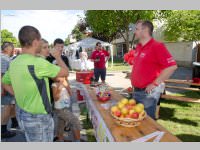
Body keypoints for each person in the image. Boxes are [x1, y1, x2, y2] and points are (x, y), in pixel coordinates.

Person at [2, 26, 69, 142]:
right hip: (39, 118)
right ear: (35, 42)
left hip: (22, 114)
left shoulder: (14, 62)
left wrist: (16, 93)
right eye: (40, 40)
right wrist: (58, 57)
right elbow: (66, 72)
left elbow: (4, 82)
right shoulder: (38, 63)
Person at [131, 20, 177, 119]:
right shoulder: (139, 47)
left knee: (147, 123)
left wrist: (154, 84)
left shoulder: (157, 46)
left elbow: (171, 67)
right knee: (137, 120)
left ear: (145, 30)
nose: (135, 32)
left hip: (148, 94)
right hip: (137, 90)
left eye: (137, 29)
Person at [52, 76, 81, 142]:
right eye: (62, 76)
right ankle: (78, 140)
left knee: (61, 125)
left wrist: (67, 86)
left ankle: (60, 139)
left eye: (64, 76)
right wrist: (60, 88)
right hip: (60, 109)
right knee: (75, 121)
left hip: (66, 107)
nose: (64, 77)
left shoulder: (66, 83)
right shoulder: (54, 85)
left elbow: (70, 94)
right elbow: (55, 98)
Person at [1, 42, 18, 139]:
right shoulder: (3, 58)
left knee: (11, 105)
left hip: (8, 86)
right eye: (12, 48)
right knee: (7, 107)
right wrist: (2, 89)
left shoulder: (5, 58)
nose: (13, 50)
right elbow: (1, 75)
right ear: (7, 48)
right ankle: (2, 130)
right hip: (6, 87)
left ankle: (14, 122)